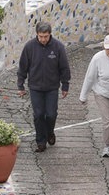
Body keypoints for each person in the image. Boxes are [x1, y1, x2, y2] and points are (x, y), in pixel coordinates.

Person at [17, 21, 71, 153]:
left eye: (45, 36)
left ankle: (50, 132)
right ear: (37, 34)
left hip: (52, 87)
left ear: (50, 34)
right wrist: (20, 85)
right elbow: (23, 67)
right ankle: (41, 142)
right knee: (38, 115)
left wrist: (65, 85)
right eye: (40, 36)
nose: (43, 39)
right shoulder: (29, 47)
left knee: (51, 114)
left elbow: (64, 67)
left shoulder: (58, 47)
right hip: (35, 87)